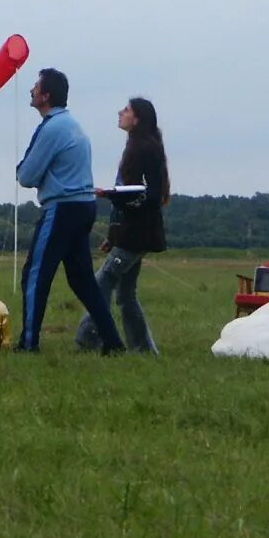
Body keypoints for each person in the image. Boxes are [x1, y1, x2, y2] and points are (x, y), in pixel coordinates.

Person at [14, 68, 125, 353]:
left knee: (35, 275)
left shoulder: (51, 127)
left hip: (61, 209)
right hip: (84, 207)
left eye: (36, 87)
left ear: (45, 96)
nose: (32, 91)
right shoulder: (73, 125)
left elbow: (26, 176)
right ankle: (113, 342)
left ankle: (29, 344)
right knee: (82, 280)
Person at [77, 96, 168, 354]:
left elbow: (145, 195)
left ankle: (89, 338)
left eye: (126, 110)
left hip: (137, 234)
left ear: (137, 119)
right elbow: (133, 197)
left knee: (102, 282)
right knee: (126, 294)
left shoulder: (142, 149)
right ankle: (143, 349)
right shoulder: (140, 147)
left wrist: (111, 195)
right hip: (136, 233)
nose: (120, 112)